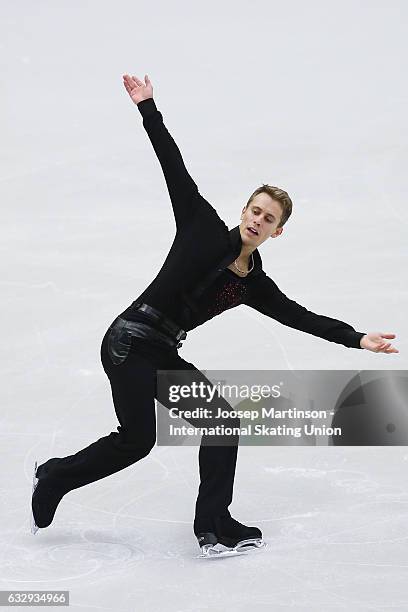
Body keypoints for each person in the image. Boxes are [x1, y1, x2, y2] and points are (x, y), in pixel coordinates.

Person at [31, 74, 399, 556]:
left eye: (269, 219)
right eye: (255, 209)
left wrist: (356, 338)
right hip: (128, 342)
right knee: (138, 440)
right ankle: (56, 476)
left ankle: (213, 523)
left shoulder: (251, 283)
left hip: (161, 349)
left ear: (277, 232)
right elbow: (172, 164)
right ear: (243, 209)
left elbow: (297, 316)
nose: (257, 220)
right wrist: (148, 107)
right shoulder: (201, 225)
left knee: (222, 424)